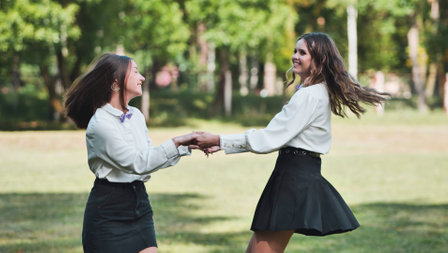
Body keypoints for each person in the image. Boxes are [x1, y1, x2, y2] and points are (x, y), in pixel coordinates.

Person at [194, 32, 388, 253]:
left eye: (302, 52)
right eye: (295, 50)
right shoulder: (313, 92)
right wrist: (223, 144)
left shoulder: (310, 95)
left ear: (320, 60)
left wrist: (220, 140)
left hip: (293, 178)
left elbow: (269, 138)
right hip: (294, 174)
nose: (295, 56)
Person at [65, 53, 196, 253]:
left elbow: (150, 158)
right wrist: (176, 142)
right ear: (115, 83)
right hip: (108, 211)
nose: (142, 77)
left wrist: (186, 146)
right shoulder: (100, 124)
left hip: (139, 203)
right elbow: (137, 163)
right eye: (135, 72)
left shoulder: (136, 116)